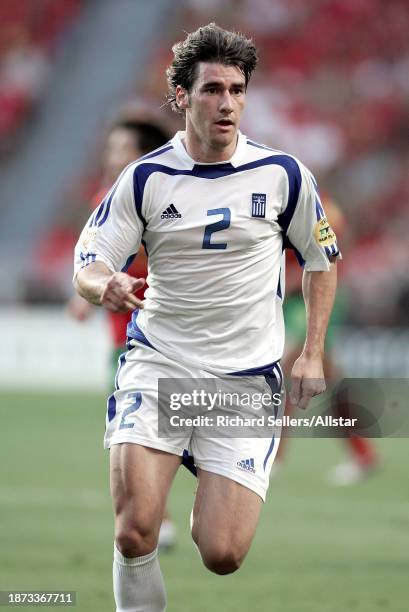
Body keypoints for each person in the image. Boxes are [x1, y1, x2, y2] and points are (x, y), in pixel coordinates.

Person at [73, 23, 340, 612]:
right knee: (135, 528)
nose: (227, 104)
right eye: (212, 89)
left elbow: (322, 261)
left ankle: (201, 463)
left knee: (223, 552)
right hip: (159, 364)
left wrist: (313, 348)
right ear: (181, 97)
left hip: (244, 382)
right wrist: (105, 284)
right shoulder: (145, 178)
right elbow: (88, 259)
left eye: (237, 90)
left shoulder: (284, 176)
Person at [69, 116, 177, 549]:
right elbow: (97, 262)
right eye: (110, 148)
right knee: (136, 434)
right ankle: (159, 519)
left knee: (149, 433)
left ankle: (165, 519)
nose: (110, 157)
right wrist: (86, 293)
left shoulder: (165, 199)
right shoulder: (106, 200)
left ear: (141, 157)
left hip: (162, 336)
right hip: (126, 341)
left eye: (120, 149)